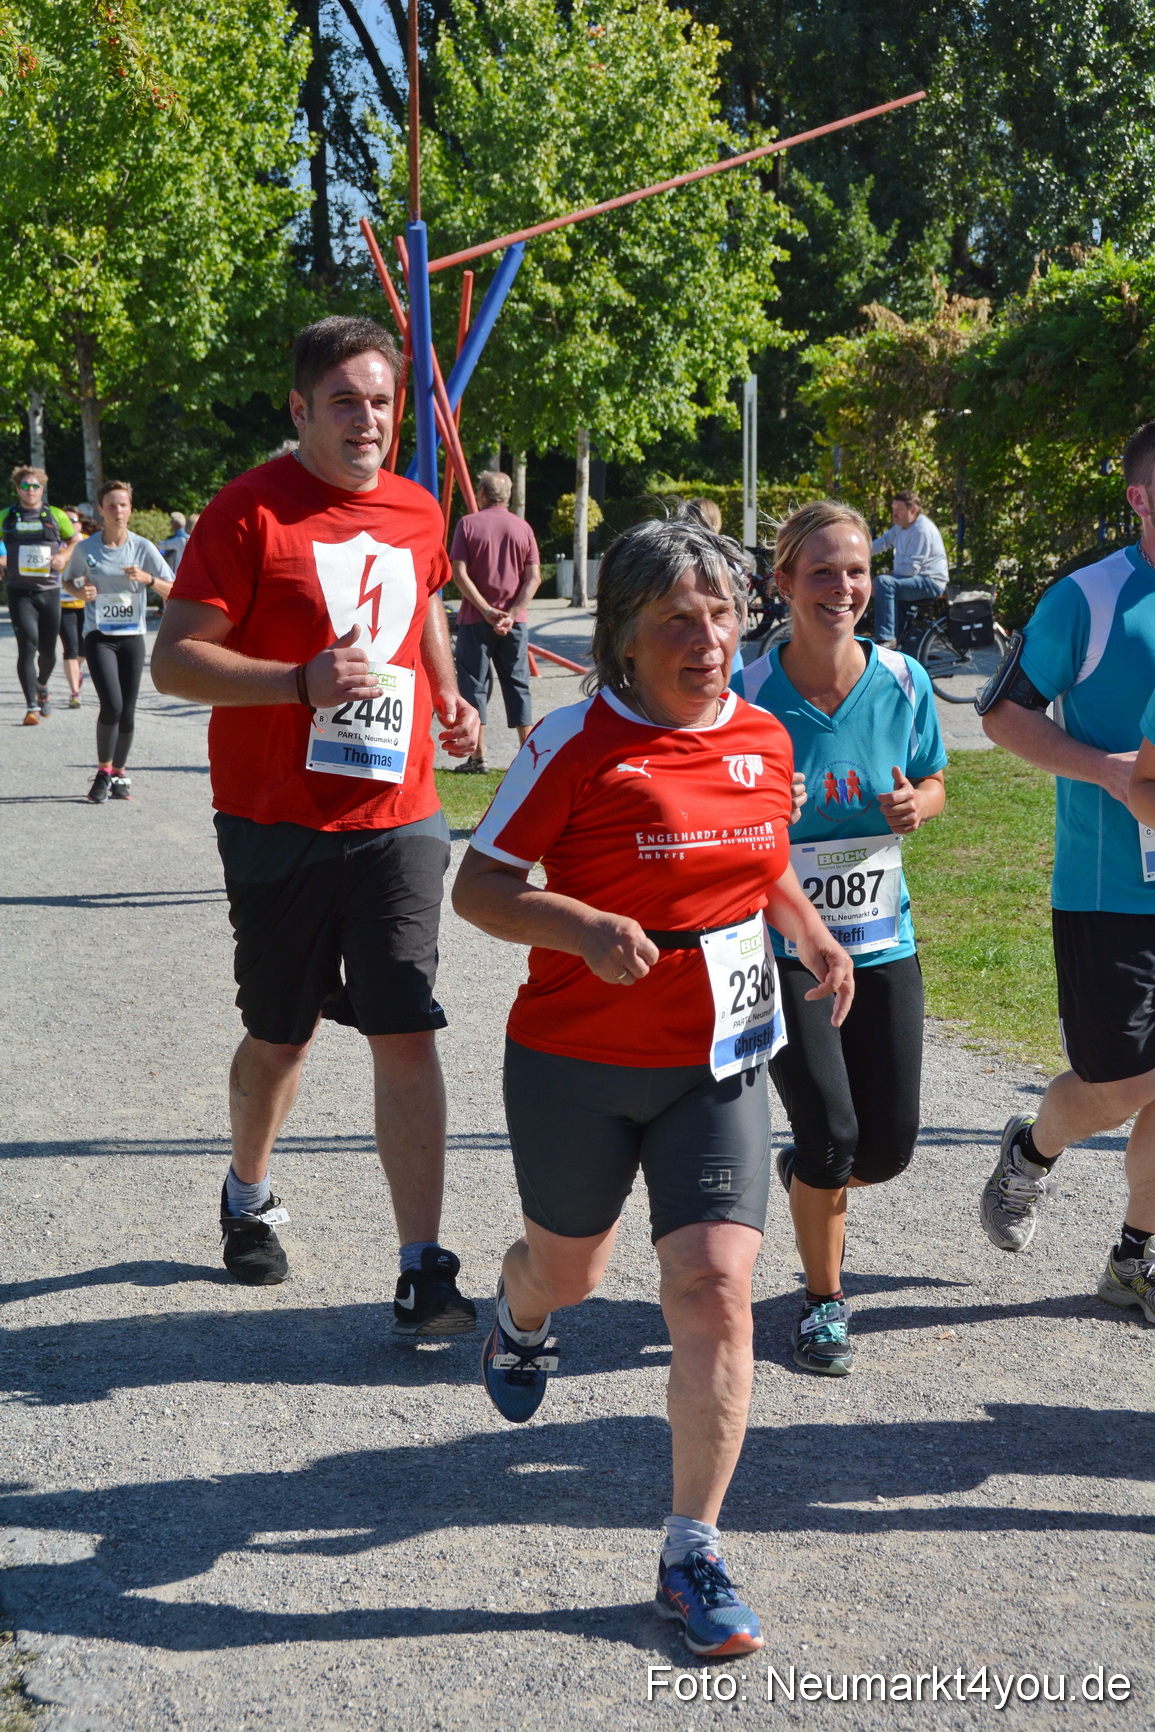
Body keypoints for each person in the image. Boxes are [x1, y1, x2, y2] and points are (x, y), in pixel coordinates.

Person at [453, 516, 854, 1657]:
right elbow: (479, 888)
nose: (707, 638)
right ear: (624, 640)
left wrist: (811, 932)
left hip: (716, 1061)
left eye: (722, 614)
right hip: (576, 1062)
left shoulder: (766, 738)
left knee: (717, 1290)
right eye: (676, 620)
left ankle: (693, 1547)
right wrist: (578, 926)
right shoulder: (574, 742)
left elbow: (763, 853)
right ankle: (520, 1312)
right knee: (571, 1274)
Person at [151, 315, 482, 1324]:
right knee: (281, 1037)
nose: (368, 419)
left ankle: (422, 1263)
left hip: (399, 813)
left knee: (404, 1024)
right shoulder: (248, 514)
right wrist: (298, 682)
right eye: (345, 402)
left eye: (383, 402)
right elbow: (174, 659)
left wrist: (449, 689)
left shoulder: (420, 511)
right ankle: (248, 1193)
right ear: (300, 410)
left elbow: (422, 598)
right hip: (275, 820)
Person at [732, 501, 947, 1374]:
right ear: (782, 583)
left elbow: (933, 779)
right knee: (829, 1130)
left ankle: (809, 1186)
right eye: (820, 572)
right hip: (781, 947)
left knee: (884, 1148)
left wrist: (915, 806)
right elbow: (706, 814)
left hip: (881, 942)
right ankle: (823, 1303)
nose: (843, 588)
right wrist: (756, 816)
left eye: (856, 570)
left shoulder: (901, 680)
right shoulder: (746, 694)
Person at [977, 420, 1155, 1323]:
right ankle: (1032, 1152)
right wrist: (1110, 771)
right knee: (1123, 1081)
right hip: (1110, 890)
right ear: (1139, 497)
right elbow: (1003, 713)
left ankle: (1135, 1255)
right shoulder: (1086, 599)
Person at [63, 480, 172, 801]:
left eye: (123, 505)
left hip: (132, 638)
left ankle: (120, 773)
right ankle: (102, 772)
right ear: (100, 510)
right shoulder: (87, 548)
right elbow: (68, 579)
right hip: (99, 636)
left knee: (128, 711)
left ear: (130, 509)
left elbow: (175, 588)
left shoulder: (143, 547)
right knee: (111, 704)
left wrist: (148, 578)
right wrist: (79, 592)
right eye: (111, 505)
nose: (118, 511)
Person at [448, 470, 541, 773]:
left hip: (476, 619)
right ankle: (527, 755)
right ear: (508, 496)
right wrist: (511, 614)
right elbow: (533, 578)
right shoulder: (523, 528)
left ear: (482, 494)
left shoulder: (467, 524)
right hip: (514, 624)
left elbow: (458, 573)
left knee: (473, 686)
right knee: (518, 685)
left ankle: (478, 757)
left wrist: (487, 610)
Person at [4, 465, 80, 724]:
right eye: (25, 486)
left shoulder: (55, 515)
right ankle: (31, 707)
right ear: (18, 489)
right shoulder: (7, 515)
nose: (30, 490)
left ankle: (42, 685)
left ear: (42, 488)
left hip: (49, 591)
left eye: (35, 485)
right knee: (28, 646)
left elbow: (75, 540)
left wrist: (63, 556)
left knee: (48, 653)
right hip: (20, 592)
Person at [869, 490, 949, 649]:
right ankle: (896, 648)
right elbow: (881, 543)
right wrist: (856, 551)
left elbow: (910, 569)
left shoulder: (921, 530)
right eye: (893, 508)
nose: (894, 513)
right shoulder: (900, 527)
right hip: (914, 580)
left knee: (884, 583)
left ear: (913, 510)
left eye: (899, 509)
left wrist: (882, 576)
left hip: (930, 582)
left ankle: (886, 638)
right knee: (890, 594)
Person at [58, 507, 87, 707]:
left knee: (84, 651)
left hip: (87, 604)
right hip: (62, 603)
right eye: (65, 520)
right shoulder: (54, 543)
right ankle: (74, 693)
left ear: (80, 523)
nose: (69, 523)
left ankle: (76, 672)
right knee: (70, 648)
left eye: (73, 520)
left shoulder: (89, 541)